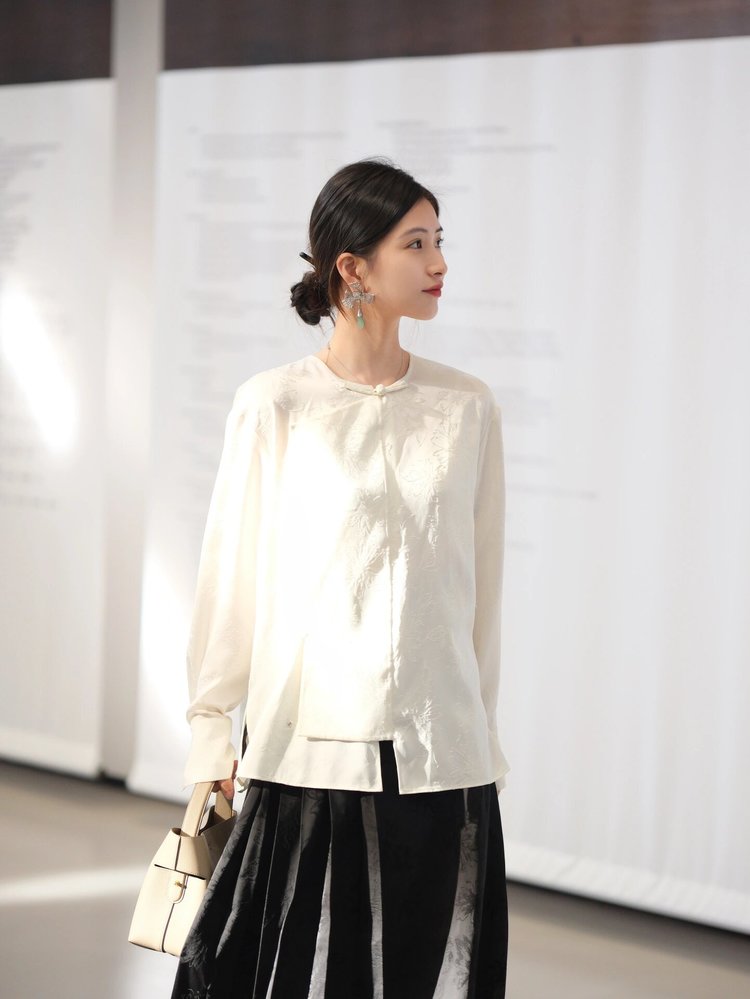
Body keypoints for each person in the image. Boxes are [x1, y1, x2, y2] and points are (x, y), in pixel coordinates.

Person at [170, 158, 509, 999]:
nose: (439, 263)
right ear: (352, 268)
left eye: (439, 241)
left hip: (440, 757)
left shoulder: (467, 406)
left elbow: (481, 590)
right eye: (416, 244)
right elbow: (231, 577)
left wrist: (478, 731)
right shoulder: (275, 403)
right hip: (311, 754)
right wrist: (212, 729)